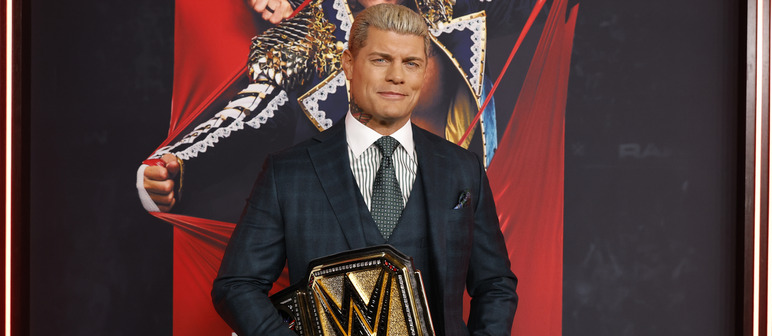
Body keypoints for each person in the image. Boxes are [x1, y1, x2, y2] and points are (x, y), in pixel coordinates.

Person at [211, 4, 517, 336]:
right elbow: (236, 286)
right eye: (381, 59)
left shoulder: (462, 169)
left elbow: (496, 284)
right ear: (348, 65)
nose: (397, 76)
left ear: (426, 71)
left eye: (411, 62)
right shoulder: (289, 171)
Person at [138, 0, 538, 222]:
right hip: (359, 242)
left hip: (461, 231)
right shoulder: (307, 33)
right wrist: (180, 164)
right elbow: (251, 115)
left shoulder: (448, 3)